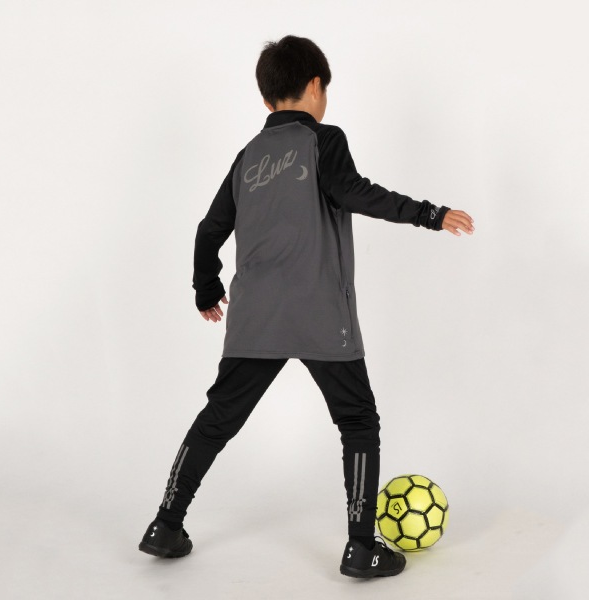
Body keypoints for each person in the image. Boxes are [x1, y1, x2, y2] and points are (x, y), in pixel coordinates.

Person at [138, 35, 474, 578]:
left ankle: (165, 525)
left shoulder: (248, 155)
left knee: (218, 419)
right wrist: (429, 214)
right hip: (321, 316)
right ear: (316, 86)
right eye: (325, 90)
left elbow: (209, 230)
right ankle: (360, 547)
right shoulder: (324, 139)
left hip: (255, 319)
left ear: (267, 97)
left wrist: (206, 288)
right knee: (357, 420)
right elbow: (354, 191)